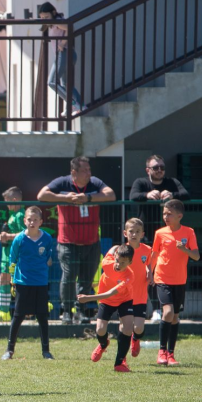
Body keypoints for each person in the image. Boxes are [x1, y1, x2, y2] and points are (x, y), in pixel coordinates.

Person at [37, 156, 116, 324]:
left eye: (89, 169)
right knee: (68, 277)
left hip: (92, 242)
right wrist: (67, 198)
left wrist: (87, 198)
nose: (89, 173)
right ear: (74, 172)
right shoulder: (63, 183)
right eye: (85, 170)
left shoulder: (94, 183)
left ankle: (81, 311)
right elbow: (42, 195)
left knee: (86, 279)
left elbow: (111, 195)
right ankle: (66, 311)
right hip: (67, 242)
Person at [0, 206, 57, 361]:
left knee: (42, 317)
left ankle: (46, 351)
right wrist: (12, 279)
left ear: (41, 222)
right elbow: (13, 260)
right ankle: (9, 350)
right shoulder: (19, 239)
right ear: (25, 221)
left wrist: (48, 261)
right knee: (18, 316)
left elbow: (48, 256)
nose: (32, 222)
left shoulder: (46, 238)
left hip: (41, 283)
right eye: (29, 220)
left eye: (35, 220)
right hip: (22, 282)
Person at [152, 199, 199, 366]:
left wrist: (184, 250)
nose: (166, 216)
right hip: (162, 277)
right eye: (164, 213)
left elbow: (196, 256)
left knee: (175, 317)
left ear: (180, 216)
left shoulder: (189, 232)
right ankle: (161, 351)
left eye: (169, 214)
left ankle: (171, 354)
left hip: (180, 280)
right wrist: (150, 272)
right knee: (168, 312)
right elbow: (155, 254)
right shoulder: (160, 233)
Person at [78, 244, 137, 373]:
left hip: (124, 300)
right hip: (106, 301)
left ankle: (119, 363)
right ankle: (104, 344)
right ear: (115, 256)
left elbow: (111, 293)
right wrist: (117, 246)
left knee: (127, 328)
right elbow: (111, 250)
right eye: (117, 260)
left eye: (123, 263)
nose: (118, 264)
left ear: (130, 263)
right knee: (100, 329)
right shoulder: (106, 263)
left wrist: (88, 298)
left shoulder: (129, 276)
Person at [0, 186, 26, 323]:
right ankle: (4, 312)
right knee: (4, 279)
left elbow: (25, 234)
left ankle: (8, 311)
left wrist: (7, 236)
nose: (7, 206)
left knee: (14, 281)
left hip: (14, 256)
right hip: (7, 255)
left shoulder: (21, 215)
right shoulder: (13, 215)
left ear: (15, 200)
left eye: (8, 202)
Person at [117, 218, 153, 358]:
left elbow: (148, 265)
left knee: (138, 328)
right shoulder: (122, 251)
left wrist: (150, 273)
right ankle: (122, 357)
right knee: (125, 327)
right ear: (125, 233)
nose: (134, 234)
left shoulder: (147, 250)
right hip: (125, 295)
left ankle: (136, 339)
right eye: (131, 231)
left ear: (142, 234)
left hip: (140, 295)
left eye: (137, 231)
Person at [37, 1, 82, 114]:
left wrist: (62, 43)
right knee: (66, 85)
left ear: (54, 12)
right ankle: (81, 106)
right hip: (67, 54)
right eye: (42, 18)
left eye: (46, 17)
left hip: (64, 53)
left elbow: (71, 27)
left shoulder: (57, 21)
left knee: (51, 82)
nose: (45, 20)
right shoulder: (53, 22)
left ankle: (73, 104)